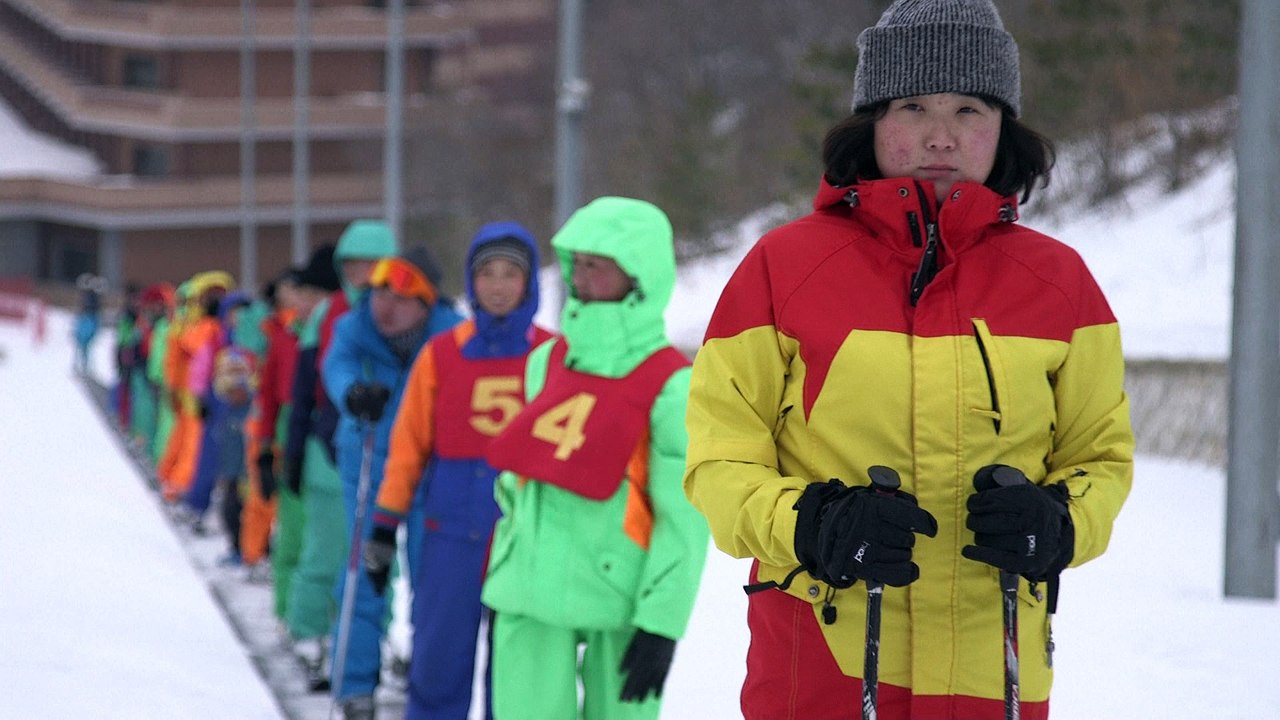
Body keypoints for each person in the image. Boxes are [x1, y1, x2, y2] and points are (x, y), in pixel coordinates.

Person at [681, 2, 1135, 719]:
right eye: (913, 105)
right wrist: (810, 522)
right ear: (872, 121)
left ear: (1003, 126)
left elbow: (1100, 458)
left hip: (996, 673)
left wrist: (1060, 522)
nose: (940, 135)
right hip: (821, 668)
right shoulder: (782, 267)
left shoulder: (1063, 283)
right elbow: (717, 462)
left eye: (969, 108)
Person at [481, 197, 709, 720]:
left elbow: (685, 516)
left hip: (621, 595)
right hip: (528, 594)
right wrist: (512, 558)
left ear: (638, 274)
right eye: (576, 263)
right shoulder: (545, 362)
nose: (580, 278)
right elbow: (524, 472)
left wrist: (662, 622)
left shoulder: (673, 384)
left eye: (597, 266)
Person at [366, 223, 553, 720]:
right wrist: (384, 525)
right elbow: (407, 448)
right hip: (448, 534)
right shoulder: (442, 354)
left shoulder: (554, 355)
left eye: (510, 274)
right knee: (436, 667)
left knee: (516, 678)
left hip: (526, 537)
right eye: (486, 273)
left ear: (529, 281)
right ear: (470, 282)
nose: (497, 285)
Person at [322, 244, 464, 718]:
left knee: (431, 576)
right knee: (365, 570)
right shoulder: (354, 326)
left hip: (429, 471)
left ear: (426, 304)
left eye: (402, 296)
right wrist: (351, 395)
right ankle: (356, 684)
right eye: (380, 290)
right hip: (367, 460)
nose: (386, 304)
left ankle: (426, 678)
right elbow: (336, 366)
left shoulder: (453, 338)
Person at [284, 223, 394, 691]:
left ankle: (372, 644)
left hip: (391, 456)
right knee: (327, 550)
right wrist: (292, 449)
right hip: (331, 450)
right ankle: (310, 633)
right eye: (351, 265)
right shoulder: (329, 313)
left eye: (370, 265)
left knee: (380, 561)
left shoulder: (408, 307)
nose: (361, 274)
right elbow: (305, 386)